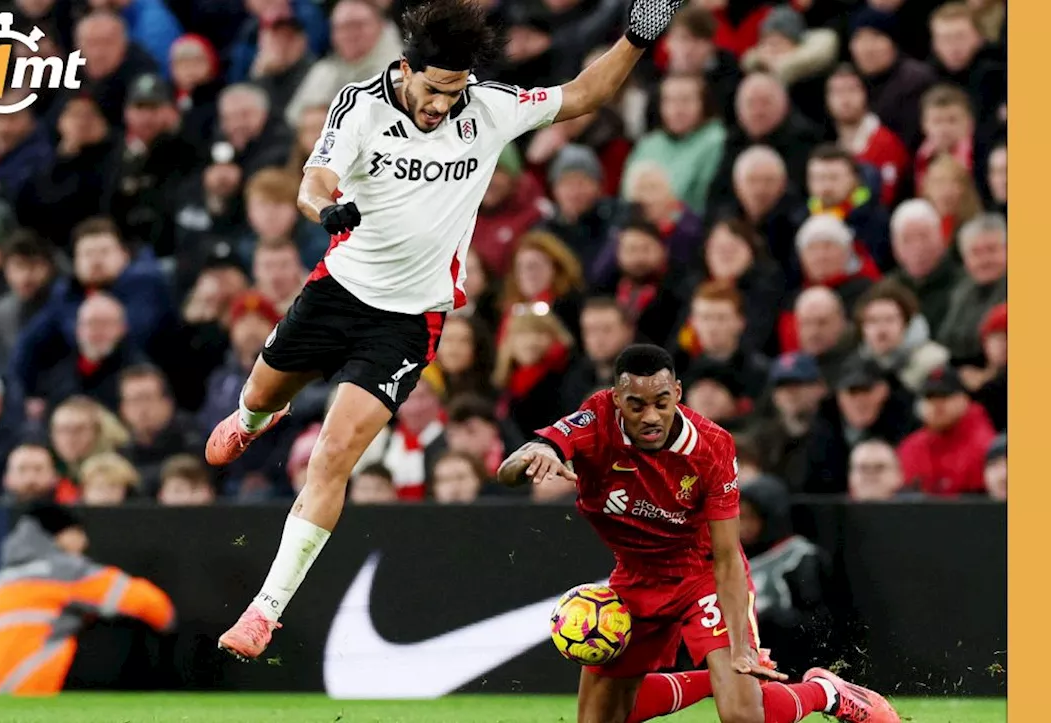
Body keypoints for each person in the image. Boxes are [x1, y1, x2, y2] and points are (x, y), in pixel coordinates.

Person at [209, 0, 700, 660]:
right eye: (434, 89)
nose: (443, 105)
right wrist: (326, 209)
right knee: (262, 395)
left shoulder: (488, 106)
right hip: (337, 291)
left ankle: (265, 611)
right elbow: (314, 178)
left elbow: (585, 93)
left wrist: (638, 37)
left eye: (455, 91)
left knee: (333, 454)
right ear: (406, 69)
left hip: (410, 320)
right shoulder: (360, 105)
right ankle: (252, 417)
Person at [496, 345, 898, 723]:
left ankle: (825, 692)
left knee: (742, 714)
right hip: (635, 577)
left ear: (678, 393)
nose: (651, 416)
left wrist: (740, 644)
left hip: (700, 573)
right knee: (600, 718)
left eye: (661, 402)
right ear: (617, 399)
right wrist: (542, 452)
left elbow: (727, 555)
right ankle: (715, 681)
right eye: (636, 405)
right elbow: (510, 469)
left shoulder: (712, 447)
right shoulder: (595, 419)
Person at [0, 503, 174, 696]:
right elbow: (156, 607)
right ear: (62, 535)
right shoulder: (68, 571)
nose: (84, 542)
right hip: (36, 695)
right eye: (78, 533)